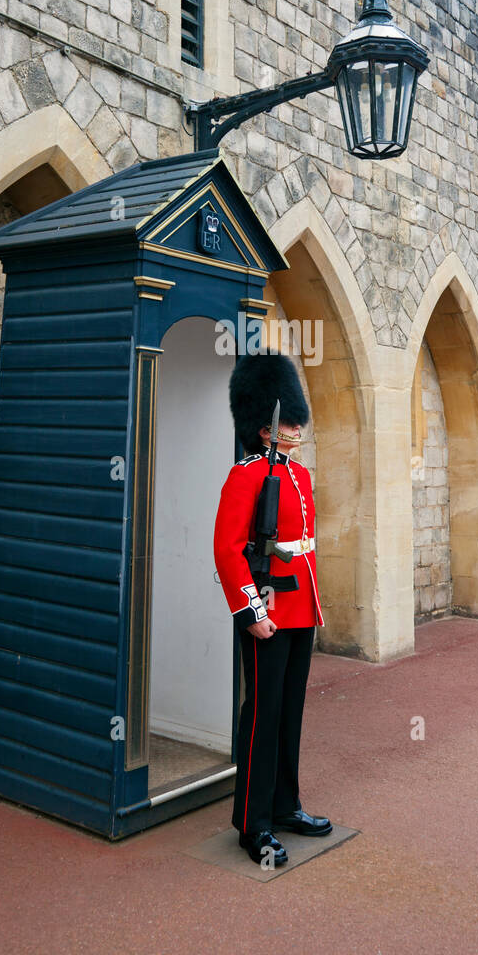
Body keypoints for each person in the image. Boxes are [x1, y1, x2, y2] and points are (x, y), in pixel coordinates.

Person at [213, 351, 332, 867]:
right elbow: (226, 548)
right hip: (268, 609)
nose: (295, 430)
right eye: (288, 423)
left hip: (300, 608)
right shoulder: (247, 475)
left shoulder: (298, 475)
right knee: (261, 714)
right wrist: (253, 609)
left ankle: (286, 806)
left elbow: (301, 542)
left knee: (289, 713)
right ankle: (252, 823)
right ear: (265, 428)